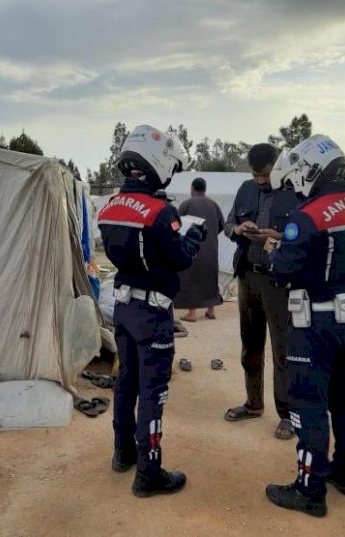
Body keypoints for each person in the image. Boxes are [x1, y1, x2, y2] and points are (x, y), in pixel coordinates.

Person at [265, 135, 345, 517]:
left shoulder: (309, 214)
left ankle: (309, 489)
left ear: (311, 171)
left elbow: (283, 269)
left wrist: (274, 251)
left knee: (308, 404)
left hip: (315, 323)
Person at [98, 124, 205, 498]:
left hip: (124, 308)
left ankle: (122, 453)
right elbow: (178, 259)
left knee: (125, 383)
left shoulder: (109, 207)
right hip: (153, 313)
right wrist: (193, 235)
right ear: (158, 162)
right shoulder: (162, 212)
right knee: (152, 392)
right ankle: (149, 473)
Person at [223, 143, 301, 439]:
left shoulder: (294, 192)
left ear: (277, 167)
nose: (259, 180)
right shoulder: (245, 189)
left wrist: (278, 236)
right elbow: (228, 224)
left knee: (283, 350)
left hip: (277, 282)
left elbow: (305, 237)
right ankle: (253, 403)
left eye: (264, 175)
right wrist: (239, 229)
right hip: (248, 277)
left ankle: (287, 414)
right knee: (250, 346)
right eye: (255, 175)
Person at [174, 177, 225, 322]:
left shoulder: (187, 204)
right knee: (210, 278)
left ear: (192, 188)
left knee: (192, 278)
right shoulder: (214, 204)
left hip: (193, 247)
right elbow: (222, 225)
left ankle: (192, 313)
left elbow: (177, 224)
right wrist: (210, 236)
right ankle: (211, 310)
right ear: (205, 189)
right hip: (212, 248)